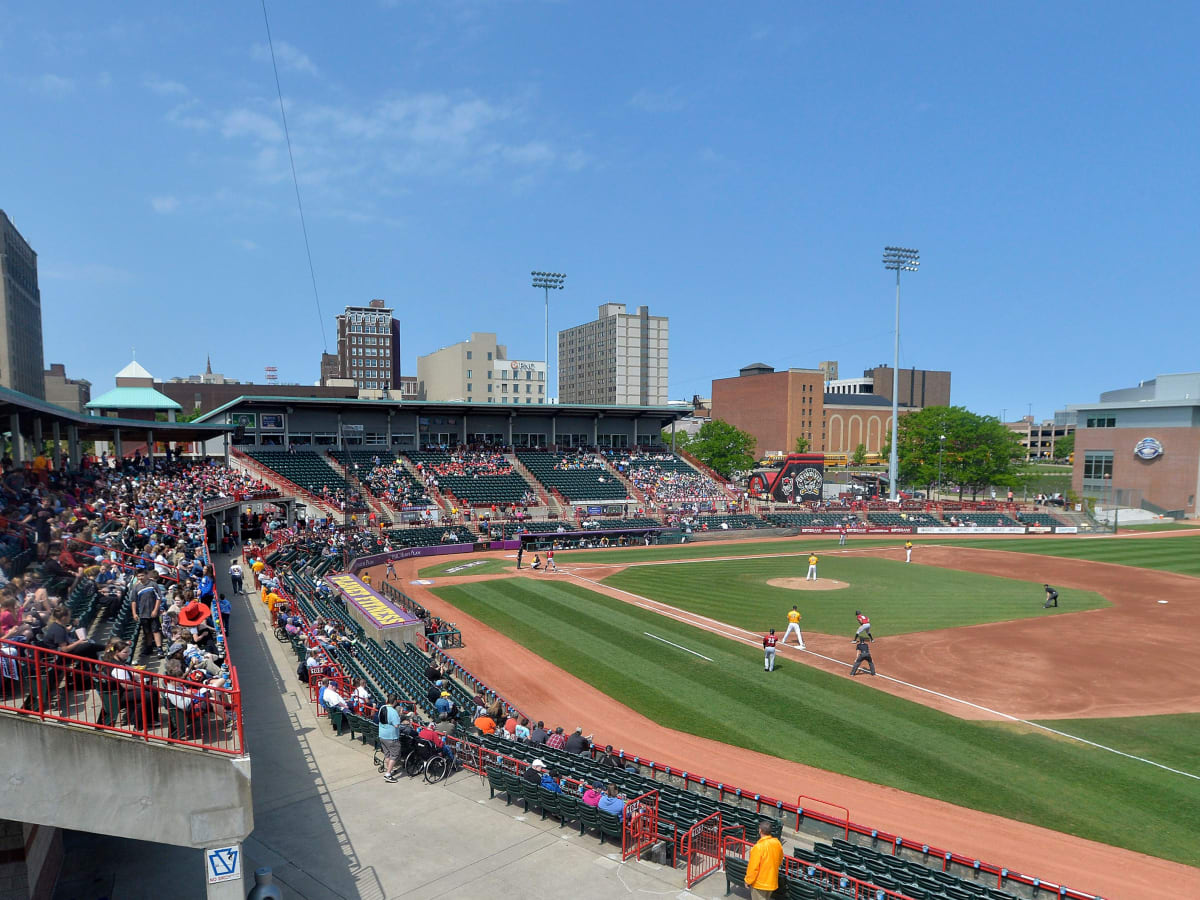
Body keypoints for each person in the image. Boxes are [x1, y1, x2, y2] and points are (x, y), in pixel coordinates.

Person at [744, 820, 784, 900]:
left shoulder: (758, 847)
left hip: (759, 884)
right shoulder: (777, 843)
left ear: (760, 830)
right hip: (771, 882)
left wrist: (748, 881)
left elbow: (753, 868)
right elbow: (780, 861)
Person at [378, 693, 405, 783]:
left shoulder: (382, 707)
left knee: (387, 754)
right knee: (394, 755)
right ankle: (388, 774)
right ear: (395, 702)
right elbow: (397, 725)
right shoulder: (393, 712)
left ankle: (389, 769)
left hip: (382, 735)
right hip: (391, 737)